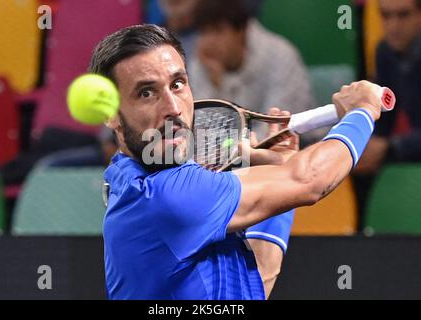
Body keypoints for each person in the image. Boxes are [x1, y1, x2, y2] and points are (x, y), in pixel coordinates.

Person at [91, 24, 384, 300]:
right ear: (112, 114)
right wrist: (362, 111)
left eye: (178, 84)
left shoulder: (134, 182)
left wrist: (276, 170)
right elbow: (310, 180)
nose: (172, 107)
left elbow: (259, 279)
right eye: (146, 92)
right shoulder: (167, 197)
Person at [188, 0, 320, 146]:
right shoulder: (202, 63)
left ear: (241, 31)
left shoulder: (280, 56)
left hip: (299, 146)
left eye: (218, 31)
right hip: (234, 155)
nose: (209, 41)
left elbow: (277, 127)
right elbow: (200, 134)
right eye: (204, 32)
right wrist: (217, 86)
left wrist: (228, 146)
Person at [354, 0, 421, 222]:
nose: (393, 26)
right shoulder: (385, 53)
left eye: (403, 15)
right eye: (385, 16)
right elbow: (383, 120)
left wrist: (389, 147)